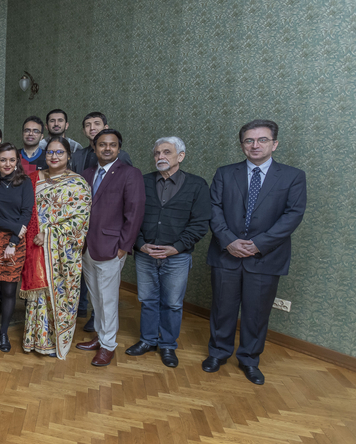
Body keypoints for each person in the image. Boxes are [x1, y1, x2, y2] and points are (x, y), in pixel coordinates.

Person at [205, 120, 306, 385]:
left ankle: (249, 359)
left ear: (275, 144)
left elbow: (292, 216)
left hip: (266, 257)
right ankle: (218, 353)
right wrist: (229, 241)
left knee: (257, 312)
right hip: (227, 254)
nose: (255, 145)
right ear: (242, 145)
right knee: (222, 309)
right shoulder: (225, 173)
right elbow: (213, 209)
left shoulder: (292, 177)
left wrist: (258, 244)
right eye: (249, 140)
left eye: (262, 140)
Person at [128, 137, 210, 368]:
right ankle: (147, 340)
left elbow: (200, 222)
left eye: (167, 152)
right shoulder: (141, 182)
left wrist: (177, 247)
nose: (160, 157)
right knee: (148, 300)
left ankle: (167, 346)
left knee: (173, 303)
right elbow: (130, 216)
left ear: (180, 156)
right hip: (145, 254)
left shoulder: (197, 185)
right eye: (157, 153)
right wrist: (140, 243)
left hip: (177, 257)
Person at [74, 129, 145, 367]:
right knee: (96, 297)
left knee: (108, 299)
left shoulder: (130, 174)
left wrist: (124, 247)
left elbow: (134, 213)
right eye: (102, 145)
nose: (107, 149)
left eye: (112, 145)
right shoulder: (86, 173)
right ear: (94, 148)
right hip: (86, 247)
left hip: (112, 247)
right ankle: (99, 336)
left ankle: (108, 345)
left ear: (118, 148)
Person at [19, 136, 90, 359]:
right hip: (34, 246)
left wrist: (48, 233)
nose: (54, 156)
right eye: (50, 152)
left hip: (61, 251)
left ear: (69, 156)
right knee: (38, 295)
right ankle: (36, 340)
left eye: (59, 152)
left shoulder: (78, 183)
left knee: (59, 294)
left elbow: (80, 221)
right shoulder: (33, 179)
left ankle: (55, 340)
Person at [0, 142, 34, 354]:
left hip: (16, 241)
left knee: (9, 290)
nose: (7, 164)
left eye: (12, 159)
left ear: (17, 161)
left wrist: (13, 241)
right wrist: (14, 226)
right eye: (3, 159)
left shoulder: (25, 182)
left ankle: (4, 333)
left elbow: (26, 213)